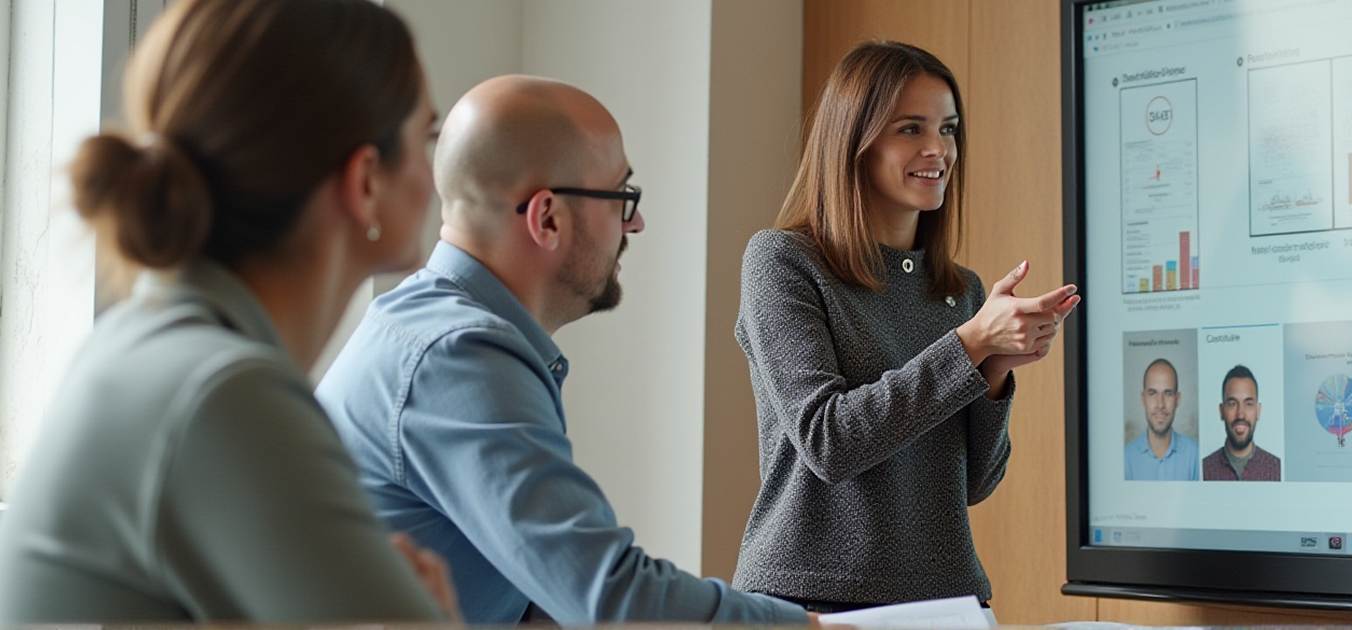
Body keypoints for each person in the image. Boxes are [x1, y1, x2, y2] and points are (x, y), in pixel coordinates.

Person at [0, 0, 454, 622]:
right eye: (426, 139)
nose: (435, 178)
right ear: (366, 180)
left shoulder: (153, 345)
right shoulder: (228, 393)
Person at [315, 76, 807, 624]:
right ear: (546, 217)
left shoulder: (431, 329)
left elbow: (541, 597)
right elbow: (608, 596)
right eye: (623, 197)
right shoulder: (458, 357)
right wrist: (804, 625)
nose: (636, 222)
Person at [733, 41, 1077, 615]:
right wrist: (971, 345)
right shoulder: (782, 262)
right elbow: (828, 441)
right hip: (809, 598)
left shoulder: (962, 291)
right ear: (855, 141)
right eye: (911, 128)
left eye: (948, 129)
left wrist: (994, 371)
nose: (938, 149)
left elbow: (974, 484)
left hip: (947, 602)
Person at [1202, 366, 1281, 481]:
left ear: (1258, 411)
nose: (1240, 415)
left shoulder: (1276, 469)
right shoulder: (1204, 470)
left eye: (1248, 404)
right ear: (1221, 411)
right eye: (1232, 404)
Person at [1125, 359, 1199, 481]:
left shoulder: (1196, 456)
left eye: (1168, 393)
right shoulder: (1125, 458)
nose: (1160, 404)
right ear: (1143, 399)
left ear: (1177, 400)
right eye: (1152, 393)